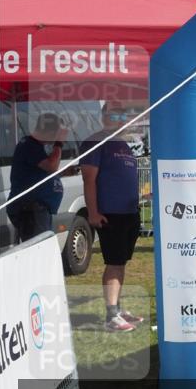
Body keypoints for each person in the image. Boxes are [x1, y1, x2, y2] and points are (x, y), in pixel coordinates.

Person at [80, 103, 143, 333]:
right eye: (114, 115)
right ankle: (111, 315)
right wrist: (93, 212)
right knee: (114, 263)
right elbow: (89, 179)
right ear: (104, 116)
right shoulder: (95, 141)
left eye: (122, 115)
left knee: (120, 263)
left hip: (129, 213)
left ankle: (117, 307)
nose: (120, 119)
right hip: (110, 214)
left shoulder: (122, 143)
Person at [8, 113, 68, 242]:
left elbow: (40, 173)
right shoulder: (28, 145)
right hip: (31, 210)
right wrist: (59, 144)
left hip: (37, 210)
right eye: (56, 134)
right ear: (49, 131)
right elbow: (51, 166)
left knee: (42, 245)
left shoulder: (37, 147)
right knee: (39, 247)